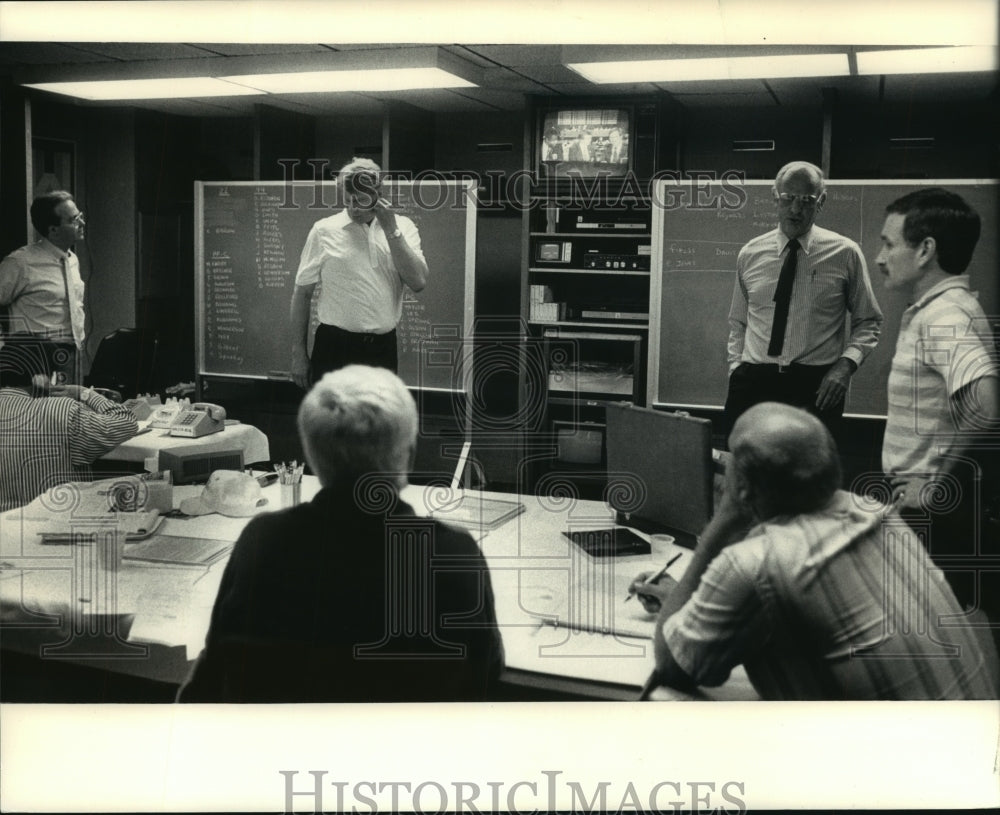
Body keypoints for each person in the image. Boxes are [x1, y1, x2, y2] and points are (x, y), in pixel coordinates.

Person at [177, 365, 504, 702]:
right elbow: (485, 679)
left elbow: (210, 680)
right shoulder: (452, 555)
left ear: (313, 457)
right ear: (406, 453)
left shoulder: (264, 542)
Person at [630, 402, 998, 700]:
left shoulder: (755, 563)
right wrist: (684, 601)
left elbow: (672, 663)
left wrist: (725, 519)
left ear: (742, 487)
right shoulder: (878, 515)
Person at [877, 187, 999, 619]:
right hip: (925, 511)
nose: (879, 257)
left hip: (933, 518)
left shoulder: (945, 316)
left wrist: (935, 486)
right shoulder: (938, 310)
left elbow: (985, 406)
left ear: (926, 250)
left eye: (889, 244)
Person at [724, 161, 883, 441]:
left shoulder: (845, 253)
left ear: (820, 201)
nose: (796, 209)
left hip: (816, 387)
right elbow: (738, 321)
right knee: (742, 472)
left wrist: (846, 366)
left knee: (808, 479)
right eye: (788, 198)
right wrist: (736, 368)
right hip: (754, 382)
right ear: (775, 197)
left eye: (806, 200)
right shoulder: (750, 253)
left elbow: (868, 321)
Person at [289, 158, 428, 387]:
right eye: (348, 200)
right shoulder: (324, 230)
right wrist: (298, 354)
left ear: (378, 195)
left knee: (378, 422)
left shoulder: (403, 227)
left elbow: (418, 281)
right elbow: (302, 293)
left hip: (382, 349)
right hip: (334, 347)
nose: (353, 208)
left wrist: (391, 229)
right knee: (331, 422)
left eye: (361, 200)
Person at [0, 336, 137, 511]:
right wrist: (85, 393)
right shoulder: (63, 411)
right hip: (54, 525)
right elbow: (127, 422)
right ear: (41, 378)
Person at [0, 191, 87, 383]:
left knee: (70, 410)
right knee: (41, 412)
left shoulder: (72, 260)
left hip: (72, 355)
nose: (82, 223)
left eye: (80, 216)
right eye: (74, 220)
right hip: (35, 361)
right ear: (53, 230)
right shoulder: (20, 262)